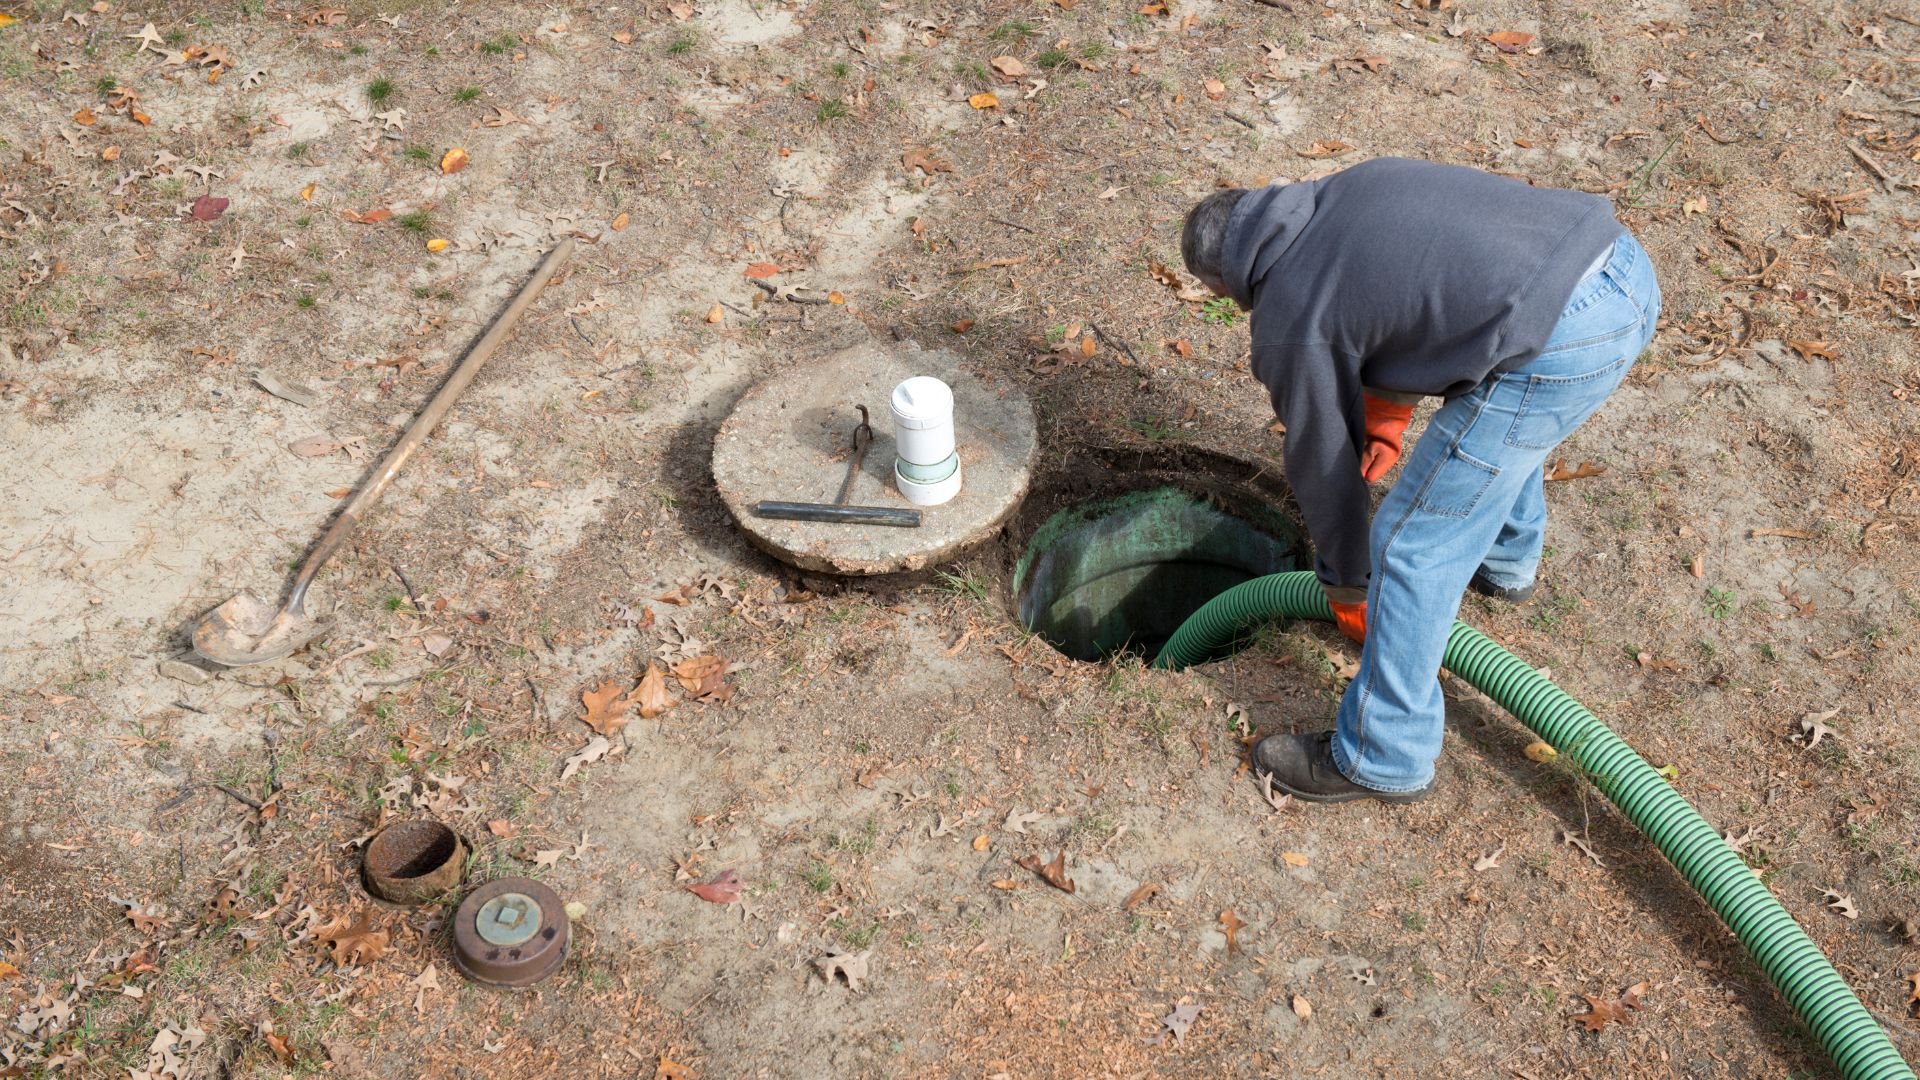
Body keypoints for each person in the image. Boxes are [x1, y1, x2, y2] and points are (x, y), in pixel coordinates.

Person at [1180, 157, 1660, 804]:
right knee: (1506, 433)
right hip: (1620, 268)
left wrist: (1349, 580)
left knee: (1411, 547)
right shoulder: (1346, 189)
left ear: (1222, 283)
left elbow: (1321, 461)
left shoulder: (1286, 315)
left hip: (1564, 336)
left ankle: (1384, 754)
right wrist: (1384, 418)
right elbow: (1413, 292)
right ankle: (1505, 564)